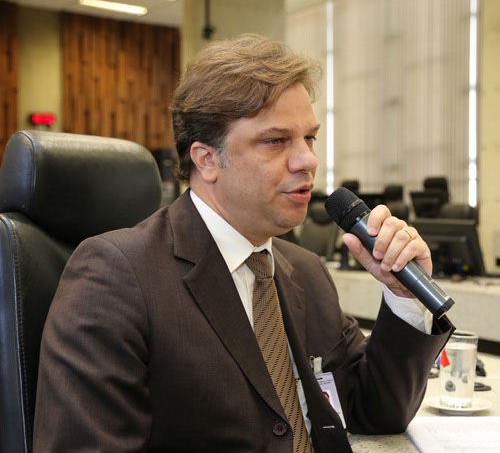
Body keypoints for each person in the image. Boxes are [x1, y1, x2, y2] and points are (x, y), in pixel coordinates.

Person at [34, 34, 453, 452]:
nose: (307, 160)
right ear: (207, 159)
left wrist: (403, 296)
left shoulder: (305, 270)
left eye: (309, 138)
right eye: (276, 141)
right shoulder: (115, 276)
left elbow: (373, 410)